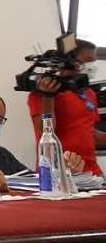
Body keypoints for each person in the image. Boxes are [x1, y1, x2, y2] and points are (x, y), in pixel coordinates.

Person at [29, 38, 105, 175]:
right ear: (72, 61)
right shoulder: (40, 94)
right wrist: (48, 97)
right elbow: (46, 131)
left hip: (91, 171)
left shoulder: (89, 93)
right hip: (57, 171)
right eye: (88, 60)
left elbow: (88, 131)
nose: (92, 65)